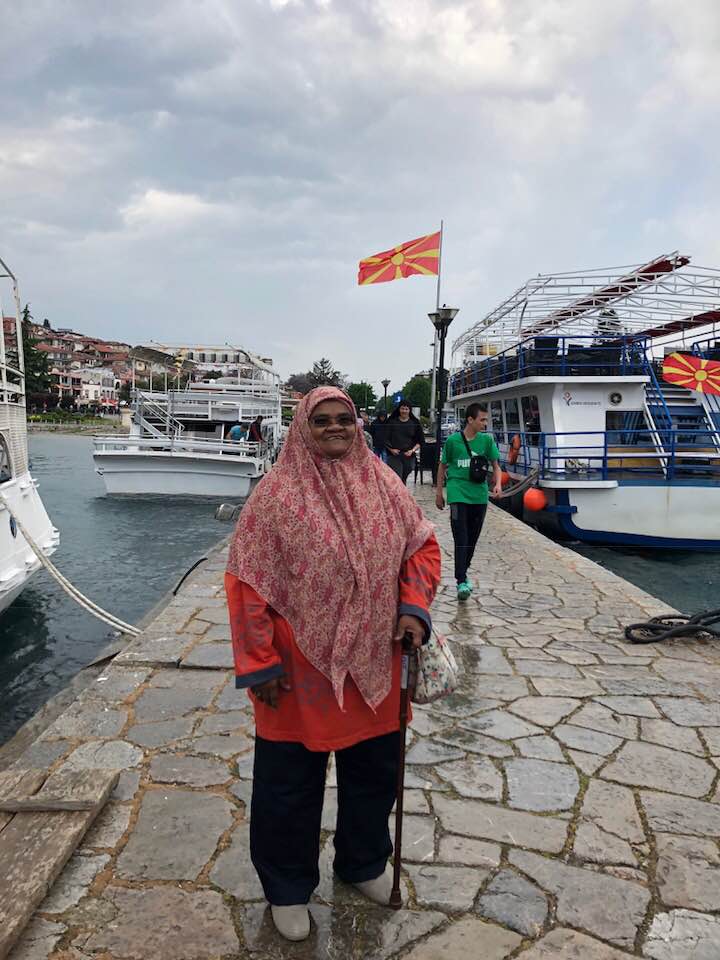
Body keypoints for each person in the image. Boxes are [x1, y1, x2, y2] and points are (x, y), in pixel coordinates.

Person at [225, 386, 440, 942]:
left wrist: (414, 609)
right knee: (288, 786)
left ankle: (362, 863)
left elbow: (422, 547)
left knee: (373, 775)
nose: (335, 428)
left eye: (344, 418)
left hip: (374, 662)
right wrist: (259, 662)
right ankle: (288, 887)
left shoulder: (385, 485)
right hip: (298, 673)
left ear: (358, 423)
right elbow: (246, 584)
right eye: (321, 421)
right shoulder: (274, 497)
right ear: (303, 427)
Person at [435, 402, 502, 601]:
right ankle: (461, 579)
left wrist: (497, 484)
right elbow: (442, 466)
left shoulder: (487, 441)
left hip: (479, 495)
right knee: (461, 537)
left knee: (472, 539)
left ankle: (463, 570)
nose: (485, 423)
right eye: (482, 419)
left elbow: (496, 465)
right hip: (458, 493)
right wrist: (440, 493)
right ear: (470, 420)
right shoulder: (453, 442)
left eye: (486, 419)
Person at [385, 402, 424, 484]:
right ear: (399, 409)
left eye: (406, 409)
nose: (404, 411)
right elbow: (385, 438)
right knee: (397, 478)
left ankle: (402, 494)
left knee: (403, 479)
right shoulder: (391, 422)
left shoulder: (415, 423)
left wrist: (412, 450)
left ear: (409, 410)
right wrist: (391, 449)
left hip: (409, 456)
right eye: (402, 408)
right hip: (394, 455)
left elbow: (420, 441)